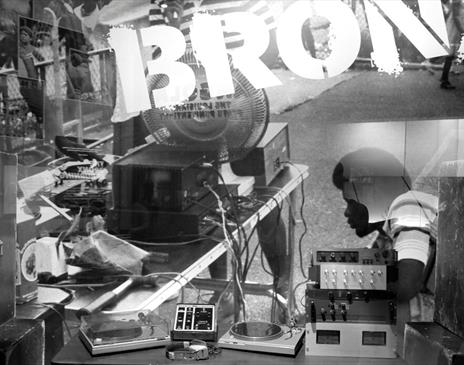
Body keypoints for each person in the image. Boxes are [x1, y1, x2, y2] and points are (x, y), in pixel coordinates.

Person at [332, 148, 438, 352]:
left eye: (350, 202)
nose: (347, 212)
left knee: (385, 308)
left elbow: (406, 286)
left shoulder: (409, 206)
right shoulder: (387, 233)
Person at [440, 0, 464, 89]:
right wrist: (462, 30)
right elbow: (456, 17)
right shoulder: (457, 2)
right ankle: (444, 81)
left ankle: (444, 79)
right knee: (450, 56)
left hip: (455, 30)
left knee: (451, 56)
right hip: (454, 31)